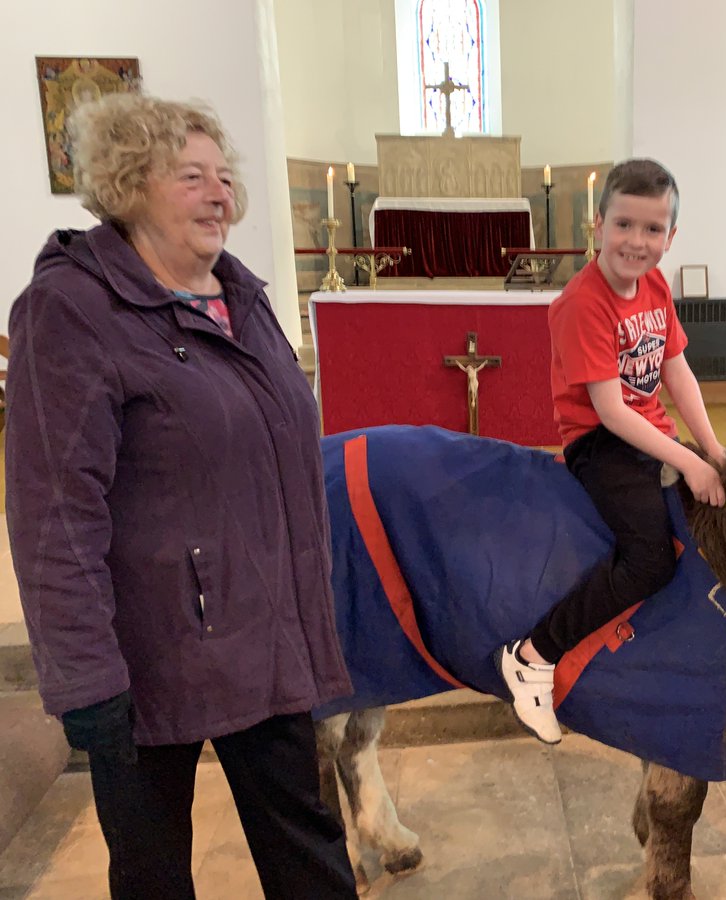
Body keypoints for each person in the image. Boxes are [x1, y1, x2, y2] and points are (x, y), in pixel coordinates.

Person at [6, 93, 357, 899]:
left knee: (309, 852)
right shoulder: (72, 311)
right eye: (191, 176)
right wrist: (84, 676)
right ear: (129, 186)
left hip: (264, 633)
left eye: (225, 177)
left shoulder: (244, 298)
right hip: (144, 655)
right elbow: (54, 512)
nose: (220, 194)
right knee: (154, 872)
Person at [494, 158, 726, 745]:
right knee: (650, 560)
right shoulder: (583, 302)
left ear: (670, 237)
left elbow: (677, 371)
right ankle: (533, 655)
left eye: (653, 230)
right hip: (599, 442)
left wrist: (713, 447)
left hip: (650, 432)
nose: (637, 241)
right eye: (624, 225)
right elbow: (610, 410)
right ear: (597, 225)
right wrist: (688, 462)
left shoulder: (655, 285)